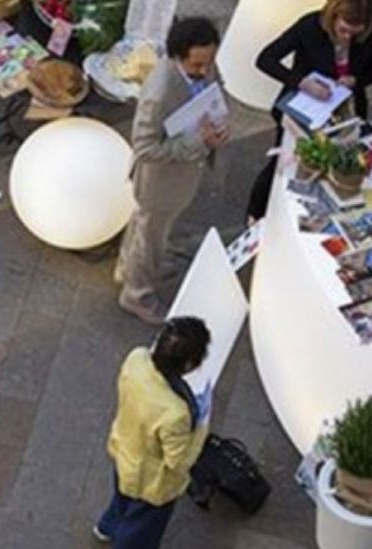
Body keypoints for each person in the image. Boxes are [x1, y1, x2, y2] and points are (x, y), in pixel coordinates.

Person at [114, 17, 228, 325]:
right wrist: (197, 142)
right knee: (150, 235)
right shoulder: (160, 92)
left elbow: (216, 88)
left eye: (209, 62)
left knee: (148, 230)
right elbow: (146, 148)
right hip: (160, 182)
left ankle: (130, 267)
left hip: (177, 177)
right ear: (178, 56)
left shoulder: (202, 64)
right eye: (198, 66)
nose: (206, 71)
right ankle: (137, 294)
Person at [94, 317, 211, 549]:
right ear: (187, 365)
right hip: (151, 480)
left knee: (122, 497)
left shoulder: (137, 360)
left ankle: (109, 526)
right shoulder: (175, 414)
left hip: (124, 450)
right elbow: (177, 462)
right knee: (142, 528)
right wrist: (201, 429)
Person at [245, 0, 372, 222]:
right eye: (343, 30)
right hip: (303, 111)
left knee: (335, 169)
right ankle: (256, 213)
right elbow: (265, 59)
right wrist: (302, 82)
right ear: (333, 16)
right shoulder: (309, 26)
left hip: (345, 113)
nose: (347, 37)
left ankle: (309, 218)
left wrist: (355, 80)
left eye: (354, 33)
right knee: (283, 162)